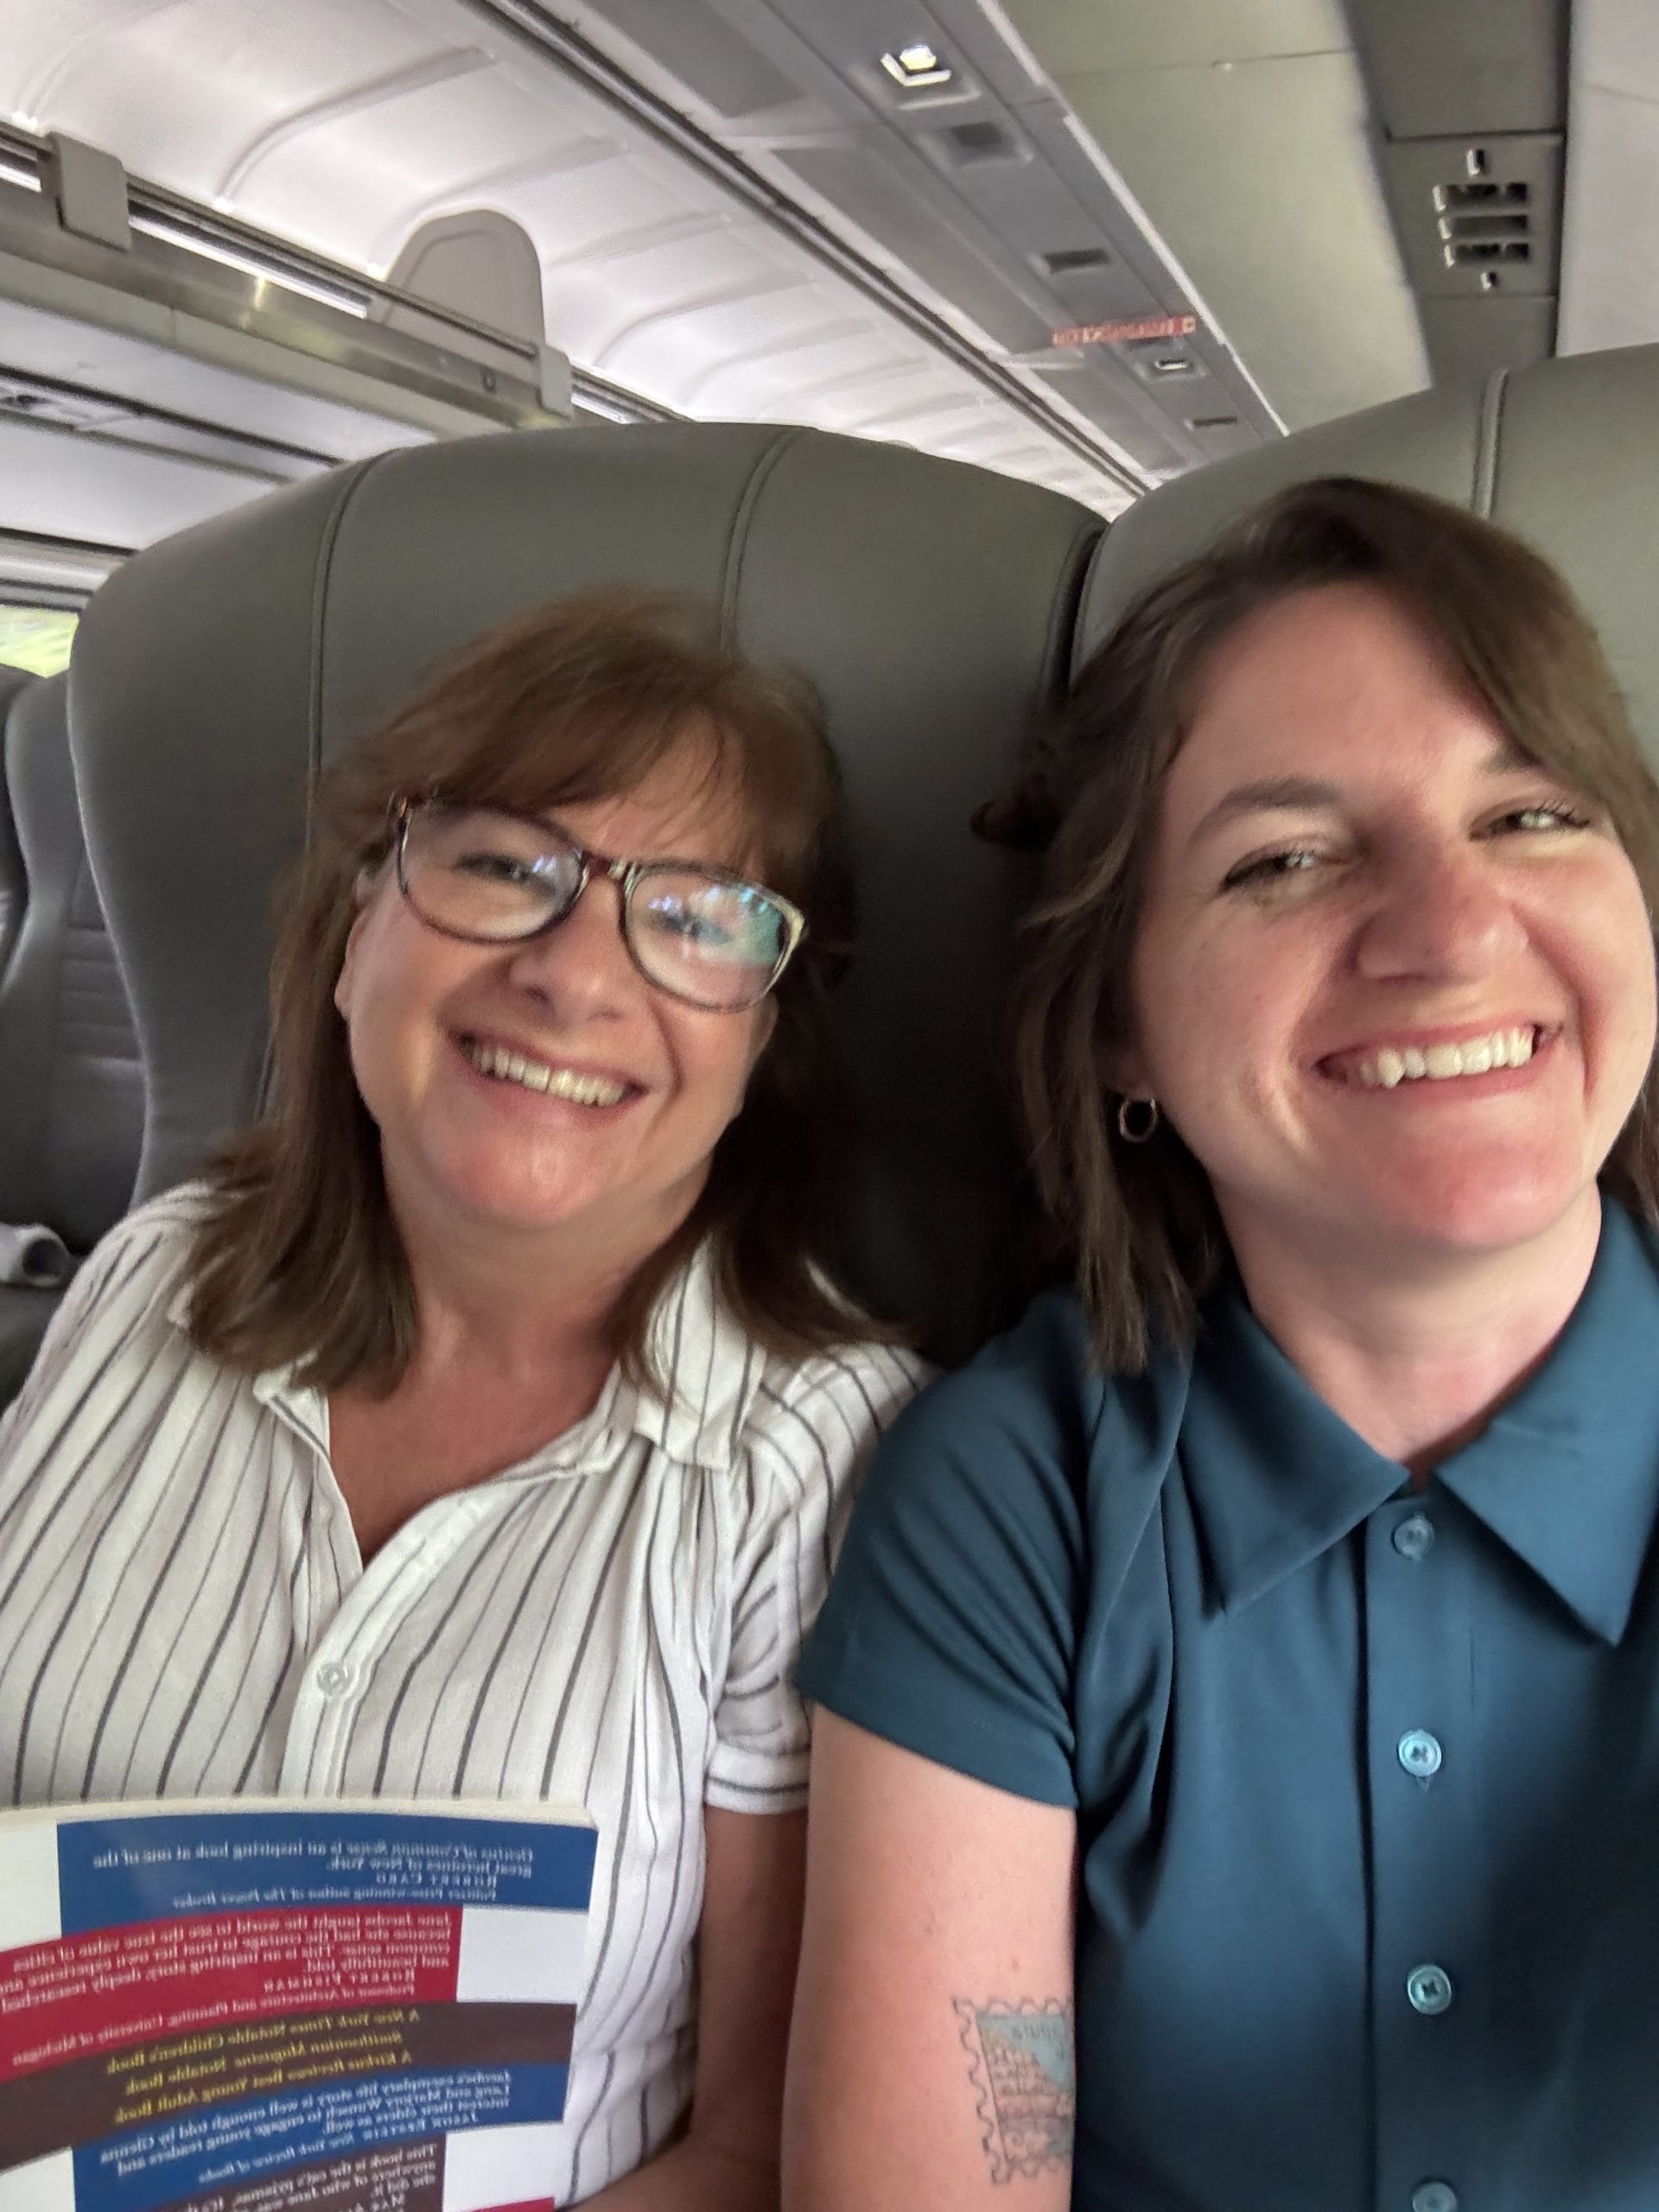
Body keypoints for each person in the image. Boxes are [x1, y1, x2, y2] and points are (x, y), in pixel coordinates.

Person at [784, 477, 1659, 2212]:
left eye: (1535, 815)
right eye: (1287, 859)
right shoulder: (1017, 1495)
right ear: (1122, 1023)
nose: (1450, 928)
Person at [0, 590, 924, 2208]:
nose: (577, 971)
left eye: (700, 912)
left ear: (765, 1035)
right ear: (361, 923)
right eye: (508, 865)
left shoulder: (816, 1460)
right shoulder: (152, 1277)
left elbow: (760, 2149)